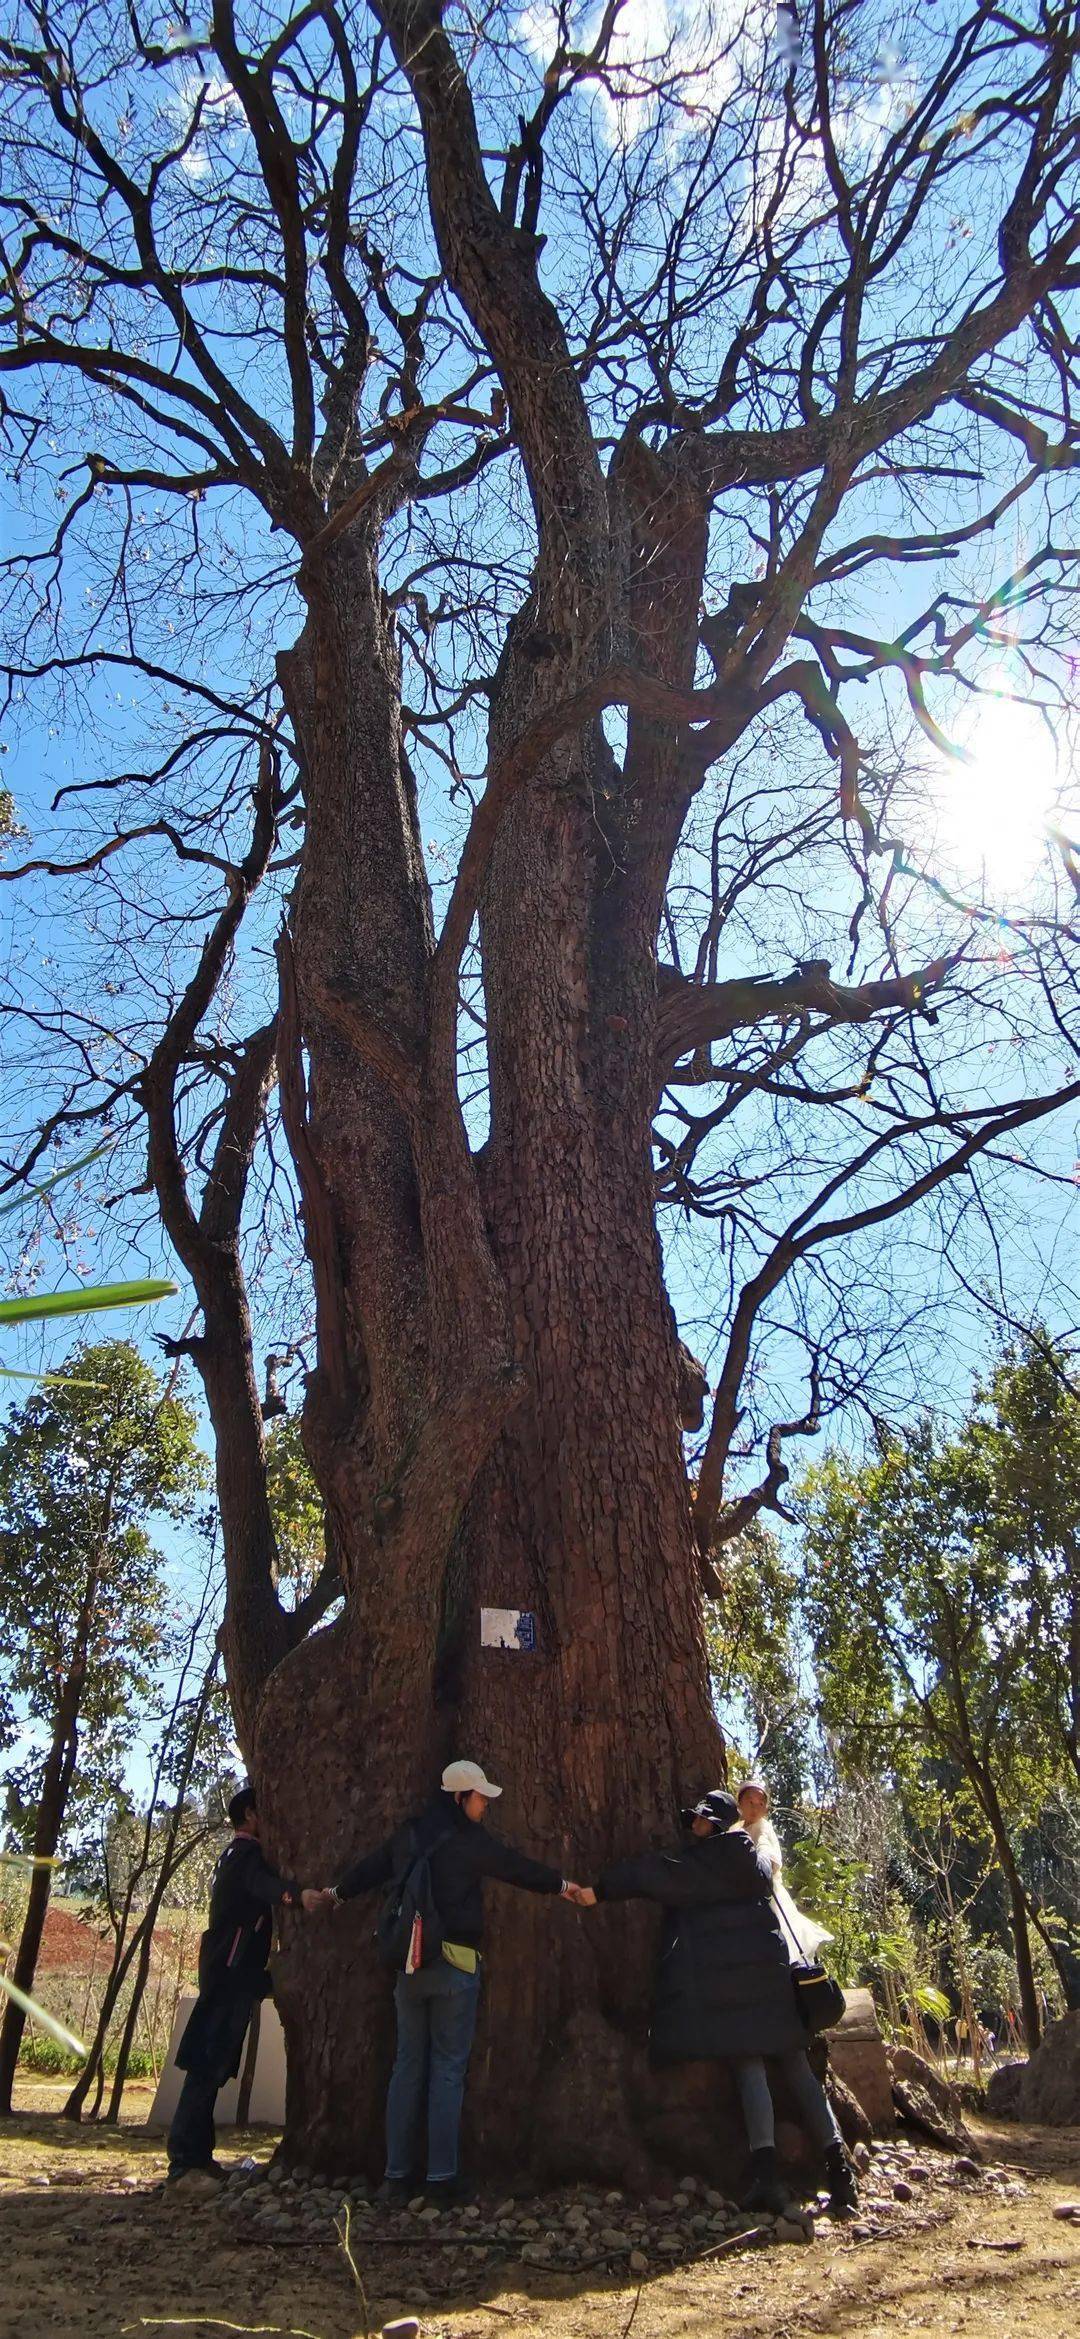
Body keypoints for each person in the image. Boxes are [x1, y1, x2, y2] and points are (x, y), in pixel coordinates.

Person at [576, 1788, 858, 2216]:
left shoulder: (694, 1867)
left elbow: (647, 1874)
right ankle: (840, 2173)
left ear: (714, 1823)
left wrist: (598, 1892)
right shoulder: (754, 1860)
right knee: (798, 2070)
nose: (693, 1825)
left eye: (700, 1819)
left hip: (732, 1994)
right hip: (772, 1982)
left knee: (750, 2072)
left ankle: (766, 2178)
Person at [311, 1758, 582, 2203]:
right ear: (460, 1797)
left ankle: (396, 2177)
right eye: (480, 1798)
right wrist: (563, 1885)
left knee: (406, 2068)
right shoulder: (470, 1841)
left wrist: (336, 1894)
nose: (485, 1806)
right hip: (455, 1965)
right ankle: (441, 2178)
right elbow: (516, 1867)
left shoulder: (409, 1834)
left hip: (409, 1968)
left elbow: (370, 1869)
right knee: (448, 2071)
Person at [167, 1786, 305, 2191]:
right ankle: (184, 2162)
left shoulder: (232, 1855)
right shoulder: (245, 1855)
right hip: (231, 1970)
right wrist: (299, 1897)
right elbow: (265, 1888)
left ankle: (197, 2156)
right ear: (250, 1815)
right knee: (207, 2064)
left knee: (211, 2065)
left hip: (227, 1968)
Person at [735, 1777, 833, 1960]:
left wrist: (759, 1865)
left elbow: (770, 1859)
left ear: (766, 1808)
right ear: (739, 1803)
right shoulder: (736, 1828)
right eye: (750, 1802)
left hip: (767, 1892)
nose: (755, 1807)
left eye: (760, 1803)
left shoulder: (763, 1829)